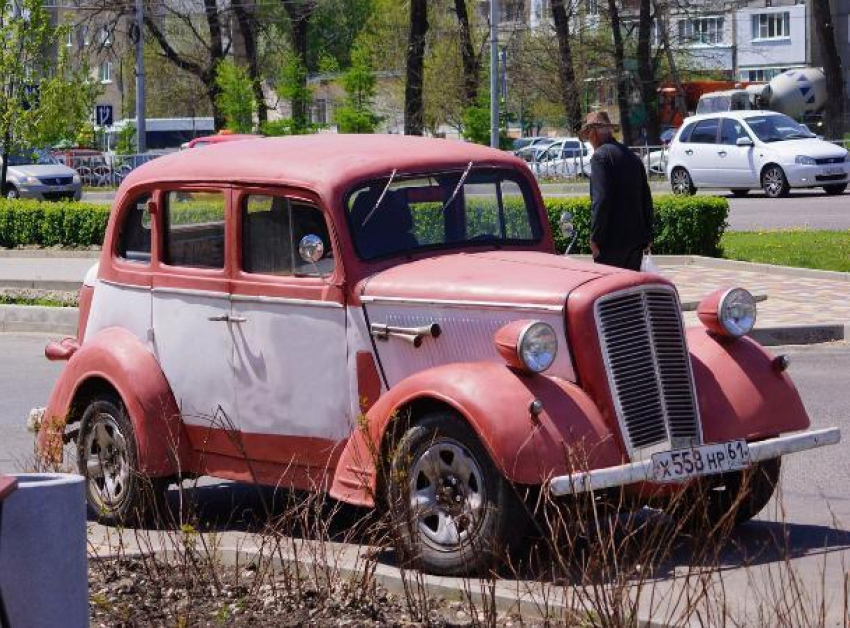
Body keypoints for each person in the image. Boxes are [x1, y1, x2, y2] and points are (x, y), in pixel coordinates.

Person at [579, 111, 654, 271]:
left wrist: (595, 238)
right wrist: (648, 235)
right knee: (629, 289)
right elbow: (646, 198)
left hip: (611, 242)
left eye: (589, 134)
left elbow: (601, 200)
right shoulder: (632, 157)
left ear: (593, 133)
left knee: (611, 291)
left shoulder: (600, 157)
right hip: (636, 241)